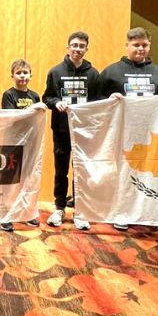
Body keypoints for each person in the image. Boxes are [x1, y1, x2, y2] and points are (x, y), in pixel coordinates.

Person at [103, 27, 158, 232]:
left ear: (149, 46)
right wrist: (109, 99)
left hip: (153, 134)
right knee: (126, 173)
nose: (140, 48)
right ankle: (123, 213)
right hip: (124, 134)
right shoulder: (111, 72)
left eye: (144, 45)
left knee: (156, 173)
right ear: (127, 45)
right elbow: (97, 102)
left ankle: (156, 214)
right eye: (136, 45)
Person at [42, 31, 103, 231]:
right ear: (68, 47)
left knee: (81, 171)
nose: (77, 49)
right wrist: (56, 102)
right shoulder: (55, 71)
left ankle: (80, 210)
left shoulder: (93, 74)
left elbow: (98, 102)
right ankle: (59, 208)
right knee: (61, 170)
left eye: (81, 46)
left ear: (87, 49)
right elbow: (46, 98)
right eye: (74, 45)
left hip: (84, 131)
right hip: (61, 130)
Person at [0, 59, 46, 231]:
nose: (22, 76)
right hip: (12, 142)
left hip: (30, 142)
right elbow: (11, 117)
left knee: (29, 177)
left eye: (25, 73)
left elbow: (36, 119)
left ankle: (27, 212)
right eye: (18, 73)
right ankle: (6, 214)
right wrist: (32, 110)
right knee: (11, 179)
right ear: (12, 76)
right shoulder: (8, 95)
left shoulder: (34, 96)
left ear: (30, 75)